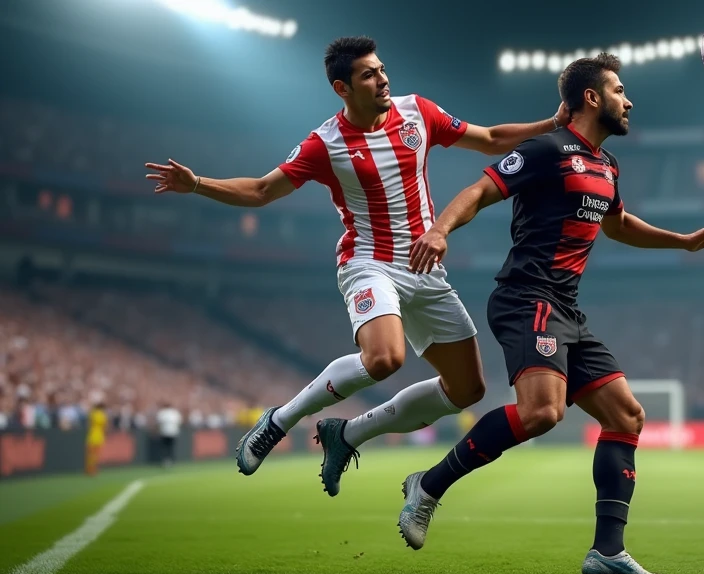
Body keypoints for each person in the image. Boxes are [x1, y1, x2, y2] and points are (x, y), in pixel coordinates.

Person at [145, 36, 569, 497]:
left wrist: (552, 123)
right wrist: (197, 184)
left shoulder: (418, 112)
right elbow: (262, 191)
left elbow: (488, 139)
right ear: (341, 88)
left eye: (382, 69)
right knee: (385, 358)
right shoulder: (324, 143)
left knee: (467, 390)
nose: (382, 79)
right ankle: (279, 421)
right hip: (368, 262)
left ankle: (346, 434)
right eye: (368, 74)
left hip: (424, 267)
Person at [397, 53, 704, 574]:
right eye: (620, 90)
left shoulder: (606, 165)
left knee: (627, 416)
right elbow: (480, 190)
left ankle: (607, 552)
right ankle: (428, 486)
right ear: (592, 98)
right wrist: (440, 230)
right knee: (542, 414)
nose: (630, 100)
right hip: (526, 297)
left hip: (567, 308)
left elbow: (619, 226)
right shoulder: (546, 149)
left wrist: (682, 242)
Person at [156, 401, 183, 468]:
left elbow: (158, 422)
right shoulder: (174, 413)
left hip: (164, 432)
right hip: (172, 432)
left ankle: (166, 461)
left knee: (165, 447)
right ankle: (170, 461)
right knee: (170, 447)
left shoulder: (162, 412)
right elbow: (179, 422)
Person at [85, 399, 107, 476]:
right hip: (99, 435)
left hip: (92, 434)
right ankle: (94, 470)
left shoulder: (93, 413)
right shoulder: (102, 415)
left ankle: (90, 469)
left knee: (90, 454)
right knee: (96, 454)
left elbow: (89, 424)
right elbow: (105, 426)